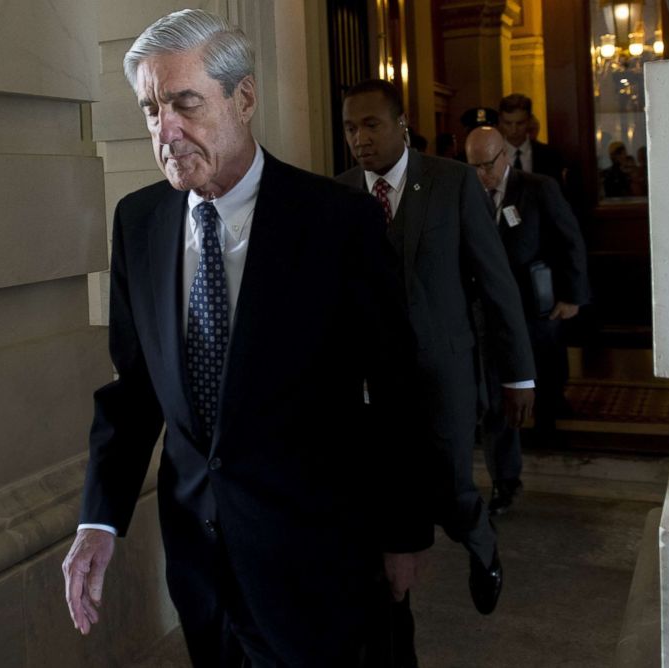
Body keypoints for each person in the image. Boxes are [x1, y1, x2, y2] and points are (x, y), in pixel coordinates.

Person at [61, 11, 434, 666]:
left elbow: (397, 382)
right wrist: (99, 517)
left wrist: (403, 532)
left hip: (320, 563)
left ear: (245, 97)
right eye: (151, 110)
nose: (165, 131)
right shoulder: (140, 222)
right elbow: (136, 389)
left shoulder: (335, 221)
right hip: (203, 571)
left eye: (185, 103)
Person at [337, 79, 536, 660]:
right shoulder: (342, 193)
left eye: (371, 125)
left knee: (448, 486)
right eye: (350, 128)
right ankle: (395, 609)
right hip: (373, 384)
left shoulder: (449, 183)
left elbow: (495, 281)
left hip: (442, 371)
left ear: (402, 125)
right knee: (388, 492)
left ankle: (483, 549)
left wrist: (518, 374)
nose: (360, 139)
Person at [465, 127, 590, 514]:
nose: (484, 174)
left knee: (544, 380)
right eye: (475, 167)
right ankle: (506, 480)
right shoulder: (465, 192)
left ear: (504, 156)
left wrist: (573, 296)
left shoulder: (538, 188)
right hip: (487, 313)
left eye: (489, 164)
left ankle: (550, 438)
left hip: (534, 307)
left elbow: (570, 241)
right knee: (494, 399)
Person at [497, 93, 566, 190]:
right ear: (500, 122)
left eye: (520, 123)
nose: (514, 129)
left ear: (529, 121)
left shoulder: (550, 156)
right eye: (508, 123)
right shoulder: (493, 155)